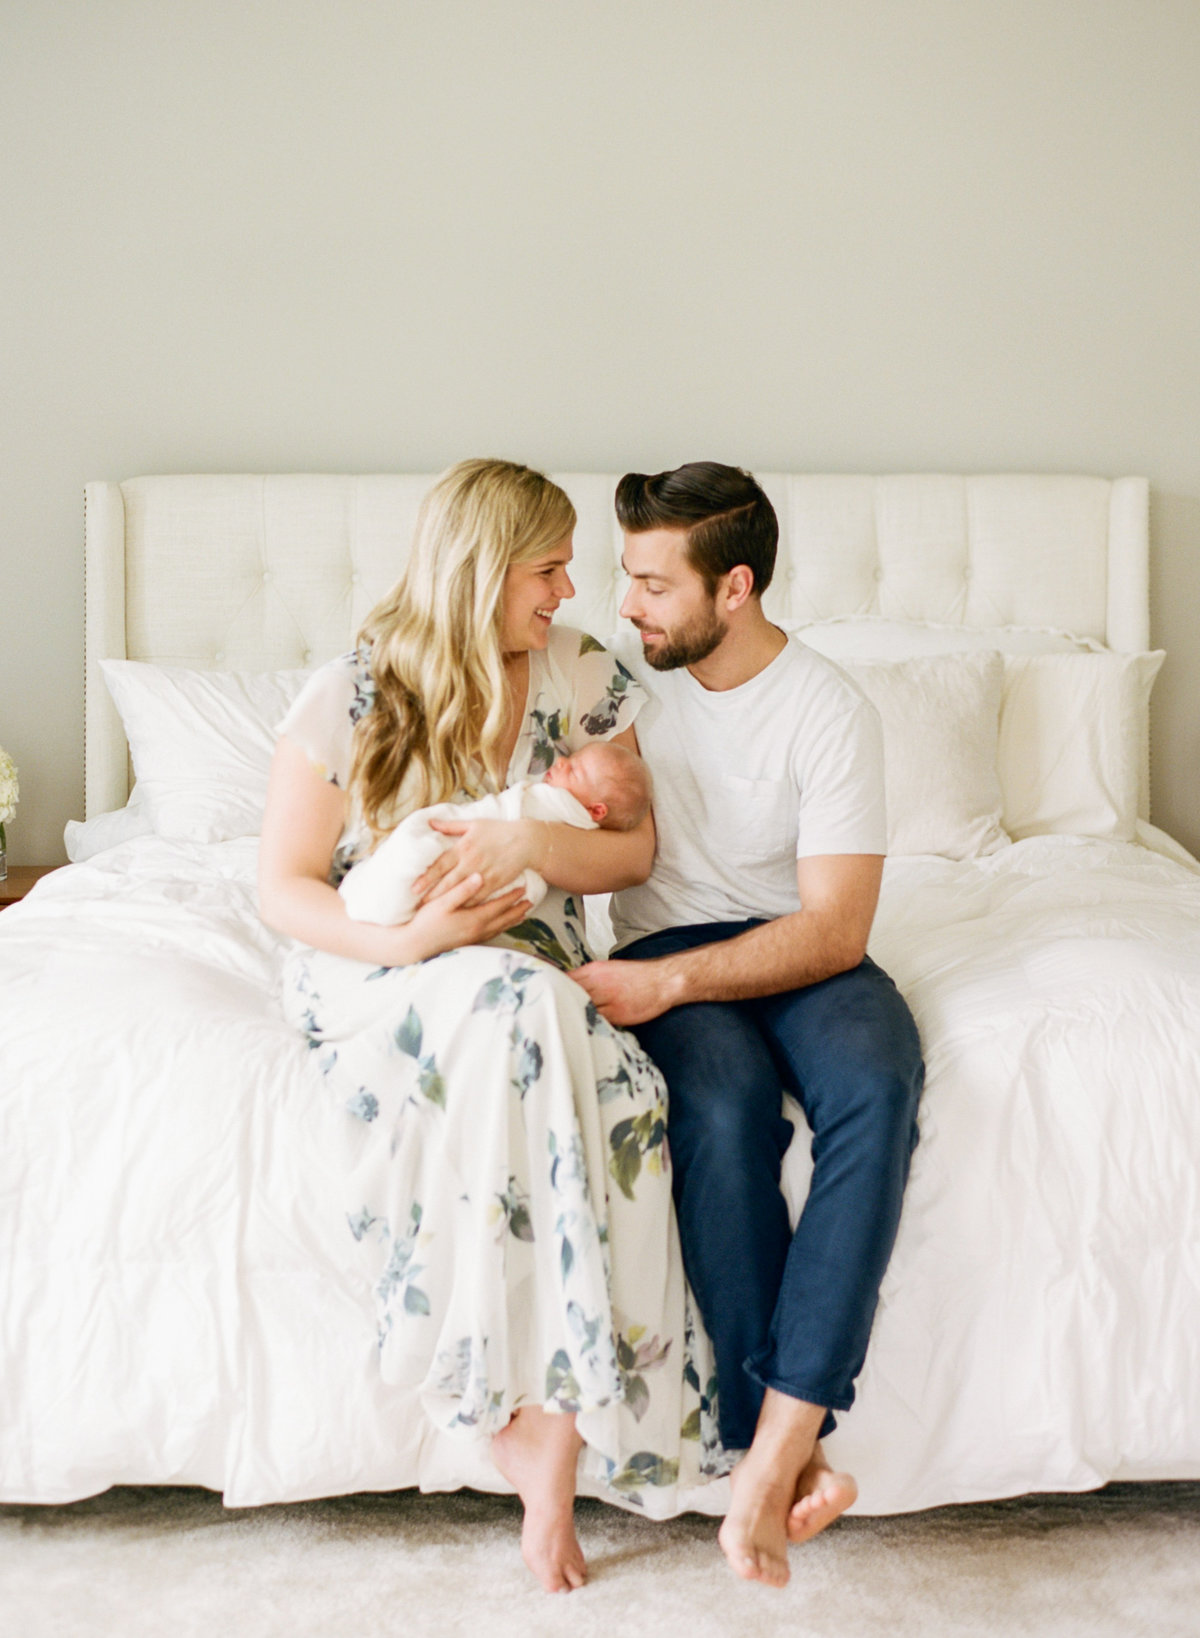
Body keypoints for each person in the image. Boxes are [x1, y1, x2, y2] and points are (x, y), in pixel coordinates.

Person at [257, 459, 708, 1594]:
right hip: (383, 965)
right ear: (481, 568)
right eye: (547, 568)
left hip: (534, 964)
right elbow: (286, 888)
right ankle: (533, 1431)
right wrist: (414, 944)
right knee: (520, 1017)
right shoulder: (360, 687)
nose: (569, 590)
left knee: (614, 1095)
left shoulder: (582, 675)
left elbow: (632, 849)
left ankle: (544, 1421)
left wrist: (525, 851)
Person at [569, 461, 925, 1590]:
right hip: (666, 939)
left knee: (877, 1088)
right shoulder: (615, 681)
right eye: (624, 578)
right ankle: (782, 1449)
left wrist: (669, 991)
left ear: (734, 587)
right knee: (717, 1114)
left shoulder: (827, 708)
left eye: (651, 585)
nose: (626, 604)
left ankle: (771, 1450)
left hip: (804, 951)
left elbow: (835, 926)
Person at [338, 741, 652, 925]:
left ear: (596, 811)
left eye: (574, 770)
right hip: (462, 837)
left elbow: (513, 814)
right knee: (413, 857)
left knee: (416, 860)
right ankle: (373, 904)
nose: (560, 762)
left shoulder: (556, 807)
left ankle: (373, 904)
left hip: (469, 846)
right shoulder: (571, 819)